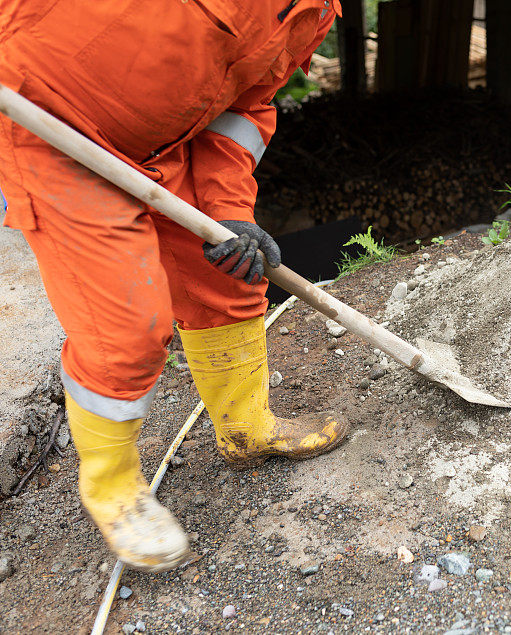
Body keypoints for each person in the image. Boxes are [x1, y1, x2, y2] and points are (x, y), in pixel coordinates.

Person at [0, 0, 349, 572]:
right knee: (127, 330)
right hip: (50, 135)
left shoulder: (313, 11)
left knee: (230, 276)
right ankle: (114, 489)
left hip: (167, 146)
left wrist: (230, 208)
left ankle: (247, 429)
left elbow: (244, 110)